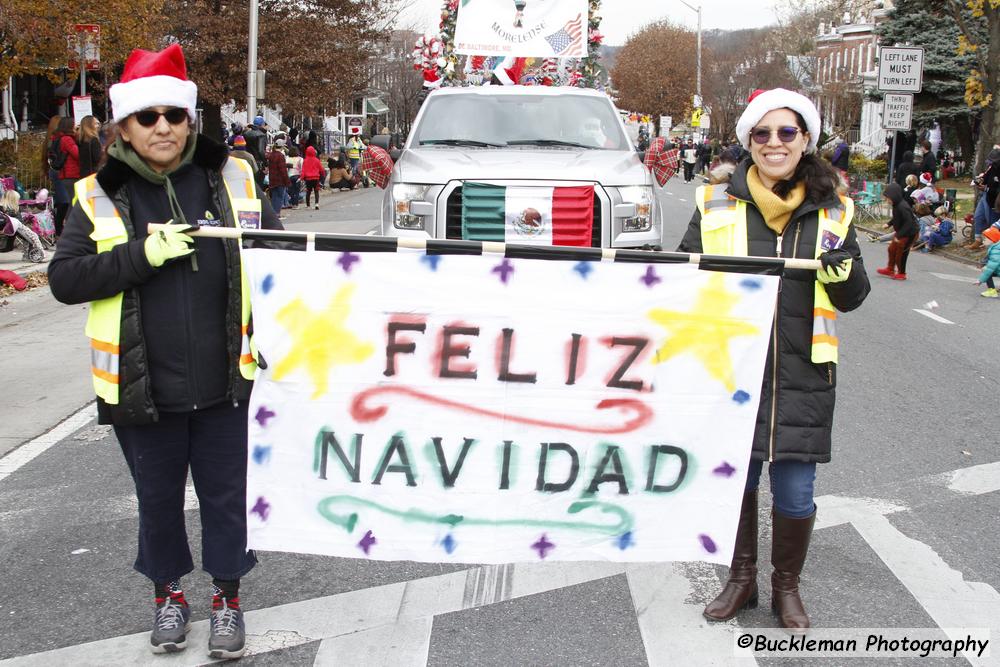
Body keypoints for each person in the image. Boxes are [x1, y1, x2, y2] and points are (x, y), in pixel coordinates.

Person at [47, 44, 282, 659]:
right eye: (146, 117)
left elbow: (282, 261)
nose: (161, 128)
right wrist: (140, 259)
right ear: (123, 124)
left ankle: (227, 600)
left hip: (229, 381)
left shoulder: (233, 176)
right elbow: (66, 279)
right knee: (157, 503)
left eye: (173, 116)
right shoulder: (98, 193)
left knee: (227, 499)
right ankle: (168, 596)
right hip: (140, 387)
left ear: (190, 120)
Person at [678, 88, 870, 632]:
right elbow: (680, 283)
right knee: (736, 479)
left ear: (805, 141)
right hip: (732, 368)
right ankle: (741, 579)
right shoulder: (714, 203)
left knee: (794, 489)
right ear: (749, 143)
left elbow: (854, 296)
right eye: (761, 134)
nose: (774, 143)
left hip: (803, 372)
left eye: (786, 132)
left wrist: (843, 273)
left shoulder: (835, 210)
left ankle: (787, 587)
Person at [877, 182, 918, 280]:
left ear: (894, 196)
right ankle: (890, 269)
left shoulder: (903, 207)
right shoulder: (896, 205)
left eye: (888, 198)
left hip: (910, 233)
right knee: (891, 249)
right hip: (902, 232)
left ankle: (902, 273)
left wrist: (898, 236)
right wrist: (889, 223)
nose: (886, 200)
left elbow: (909, 223)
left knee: (901, 253)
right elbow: (897, 218)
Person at [51, 116, 81, 237]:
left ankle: (67, 227)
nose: (76, 126)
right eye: (74, 124)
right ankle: (67, 227)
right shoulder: (67, 139)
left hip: (69, 174)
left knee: (72, 201)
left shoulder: (64, 138)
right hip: (70, 174)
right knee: (73, 202)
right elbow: (78, 154)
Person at [967, 147, 1000, 250]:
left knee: (991, 221)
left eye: (993, 161)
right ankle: (978, 240)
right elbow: (986, 177)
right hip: (985, 196)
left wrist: (986, 188)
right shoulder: (992, 167)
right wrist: (980, 180)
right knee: (978, 216)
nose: (991, 163)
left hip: (994, 200)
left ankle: (993, 245)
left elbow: (997, 188)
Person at [0, 190, 46, 262]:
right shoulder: (8, 209)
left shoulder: (10, 209)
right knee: (33, 236)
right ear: (12, 200)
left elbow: (18, 220)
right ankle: (40, 254)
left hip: (16, 227)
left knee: (29, 238)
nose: (18, 201)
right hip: (15, 228)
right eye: (17, 200)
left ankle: (28, 255)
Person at [266, 141, 290, 217]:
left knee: (274, 197)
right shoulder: (280, 156)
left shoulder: (271, 155)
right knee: (280, 197)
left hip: (272, 179)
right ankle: (277, 213)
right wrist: (287, 181)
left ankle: (273, 213)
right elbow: (283, 170)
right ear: (282, 146)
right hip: (280, 180)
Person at [977, 226, 1000, 297]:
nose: (983, 240)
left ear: (992, 239)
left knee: (987, 271)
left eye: (985, 239)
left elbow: (990, 267)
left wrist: (980, 280)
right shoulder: (996, 247)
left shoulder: (996, 250)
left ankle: (992, 291)